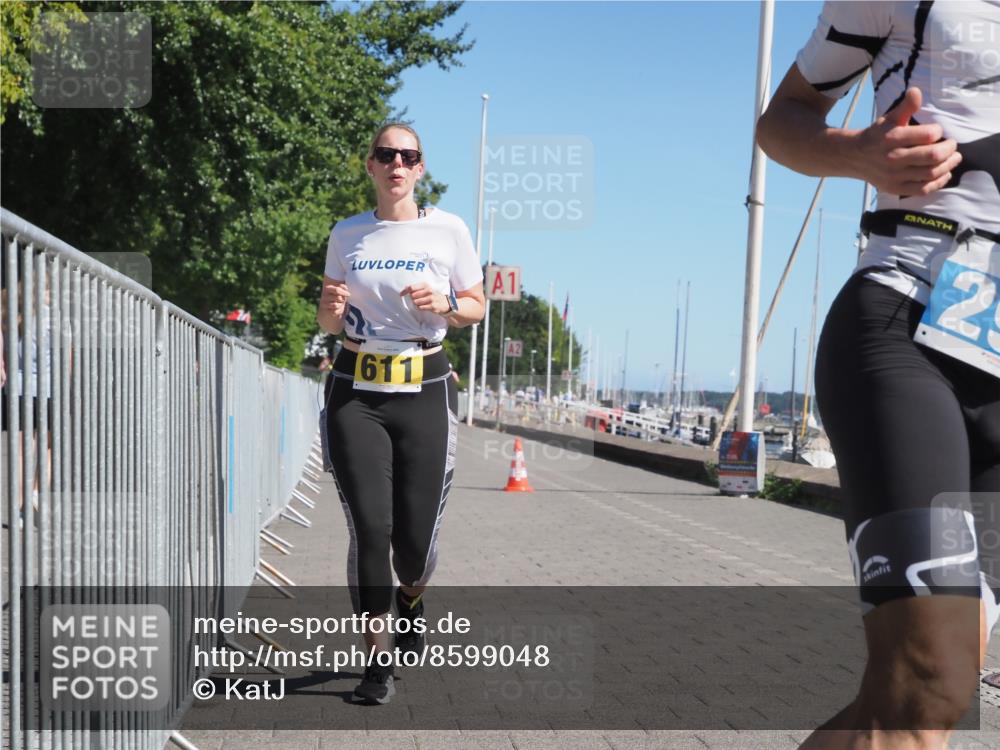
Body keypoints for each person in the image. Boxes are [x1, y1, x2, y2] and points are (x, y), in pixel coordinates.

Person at [758, 2, 999, 748]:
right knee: (932, 679)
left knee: (925, 690)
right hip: (908, 322)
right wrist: (860, 155)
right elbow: (783, 120)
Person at [316, 123, 485, 705]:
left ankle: (411, 599)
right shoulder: (348, 233)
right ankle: (375, 664)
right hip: (355, 390)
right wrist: (331, 310)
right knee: (370, 529)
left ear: (420, 169)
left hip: (425, 389)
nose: (396, 164)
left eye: (407, 156)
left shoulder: (448, 230)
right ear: (370, 166)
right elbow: (330, 319)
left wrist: (448, 304)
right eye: (385, 154)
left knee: (413, 545)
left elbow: (477, 304)